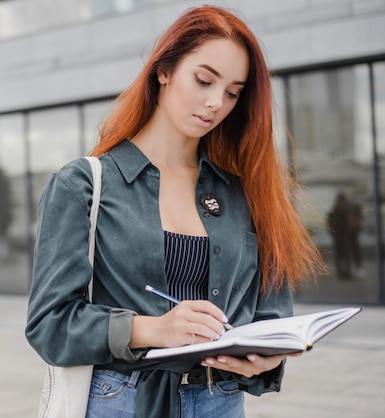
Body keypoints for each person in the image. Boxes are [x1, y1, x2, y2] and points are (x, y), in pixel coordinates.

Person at [25, 6, 325, 418]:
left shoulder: (244, 194)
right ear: (164, 70)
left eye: (233, 92)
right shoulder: (83, 186)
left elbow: (272, 314)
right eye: (203, 80)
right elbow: (49, 324)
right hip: (121, 401)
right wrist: (153, 329)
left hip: (220, 401)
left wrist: (267, 358)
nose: (216, 102)